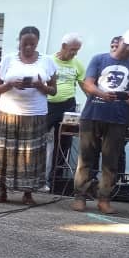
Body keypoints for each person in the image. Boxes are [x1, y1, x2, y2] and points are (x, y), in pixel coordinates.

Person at [73, 29, 129, 214]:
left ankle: (104, 198)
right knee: (86, 158)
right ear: (121, 40)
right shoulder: (99, 59)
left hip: (118, 118)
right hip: (92, 114)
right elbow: (88, 83)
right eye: (128, 44)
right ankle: (80, 197)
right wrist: (101, 94)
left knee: (110, 161)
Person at [0, 26, 58, 205]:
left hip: (35, 114)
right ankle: (2, 191)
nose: (28, 47)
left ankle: (28, 194)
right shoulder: (8, 59)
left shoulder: (48, 61)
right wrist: (10, 84)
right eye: (25, 43)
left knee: (30, 155)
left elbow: (54, 90)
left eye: (32, 44)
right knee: (4, 153)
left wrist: (41, 87)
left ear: (37, 43)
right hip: (8, 114)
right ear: (19, 41)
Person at [46, 33, 86, 185]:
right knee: (37, 140)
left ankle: (55, 180)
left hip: (68, 106)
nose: (75, 53)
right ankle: (34, 176)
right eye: (73, 49)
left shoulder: (78, 64)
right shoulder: (49, 61)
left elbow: (85, 88)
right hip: (48, 105)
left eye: (77, 50)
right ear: (63, 46)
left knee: (63, 144)